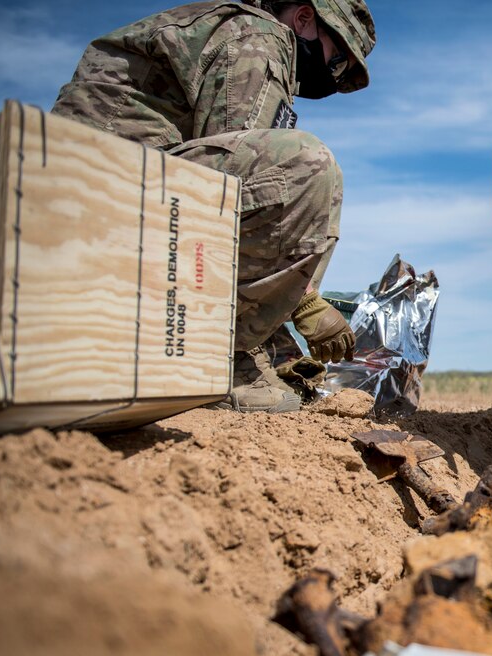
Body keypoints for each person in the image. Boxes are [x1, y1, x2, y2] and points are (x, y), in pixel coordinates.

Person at [51, 0, 375, 413]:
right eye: (337, 59)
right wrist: (304, 302)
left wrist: (282, 347)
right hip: (96, 201)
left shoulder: (244, 32)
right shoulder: (258, 36)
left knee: (316, 187)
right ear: (304, 18)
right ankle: (211, 359)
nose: (335, 74)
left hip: (116, 194)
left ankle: (242, 351)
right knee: (306, 165)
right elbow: (224, 197)